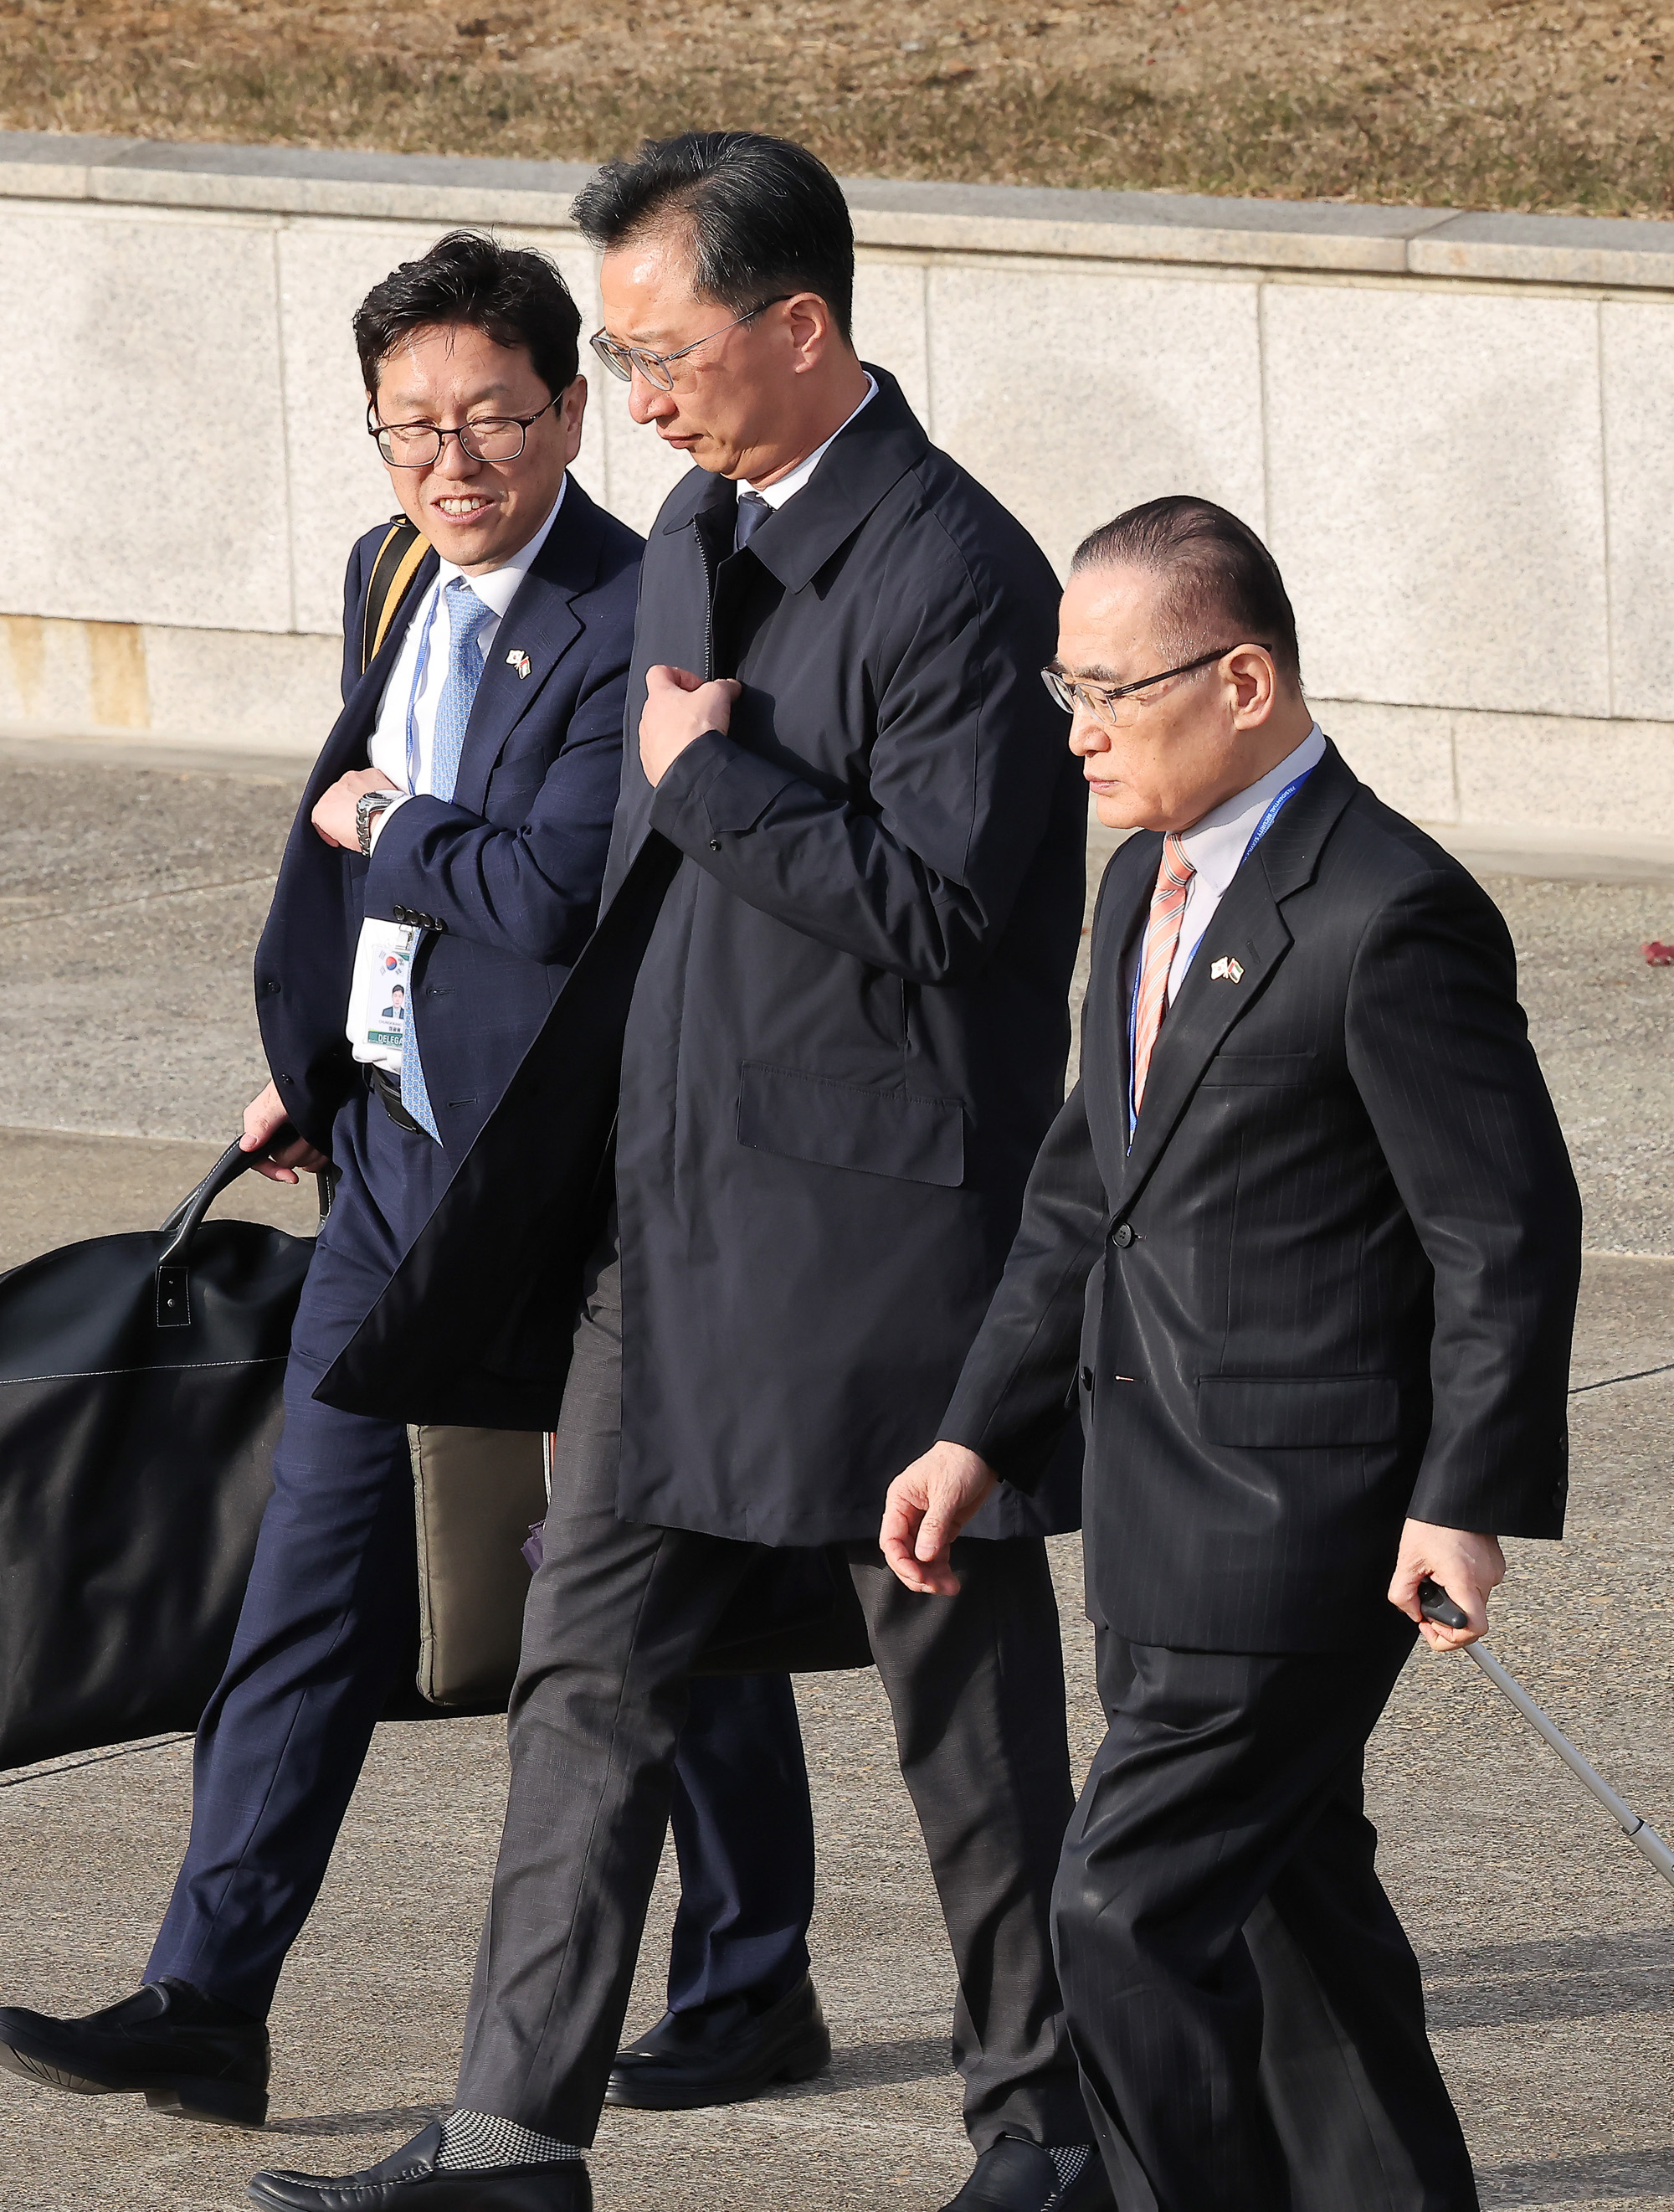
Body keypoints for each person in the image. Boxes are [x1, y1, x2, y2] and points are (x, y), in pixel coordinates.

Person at [248, 131, 1107, 2212]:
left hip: (888, 1240)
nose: (632, 404)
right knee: (585, 1668)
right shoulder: (710, 523)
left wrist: (707, 769)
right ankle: (513, 2133)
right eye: (618, 357)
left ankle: (1051, 2127)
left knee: (964, 1722)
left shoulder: (964, 576)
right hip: (673, 1214)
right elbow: (640, 897)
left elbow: (944, 913)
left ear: (796, 325)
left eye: (658, 352)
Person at [0, 229, 822, 2139]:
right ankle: (209, 1996)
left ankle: (752, 1968)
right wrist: (322, 1051)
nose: (452, 463)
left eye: (492, 420)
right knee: (307, 1569)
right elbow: (361, 842)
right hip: (387, 1147)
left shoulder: (641, 609)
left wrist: (391, 827)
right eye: (409, 428)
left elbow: (539, 887)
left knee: (632, 1574)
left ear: (566, 412)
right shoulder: (393, 571)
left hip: (564, 1171)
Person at [881, 496, 1583, 2212]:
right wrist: (980, 1427)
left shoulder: (1388, 912)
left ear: (1245, 678)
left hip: (1305, 1518)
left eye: (1111, 690)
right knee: (1288, 1908)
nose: (1080, 731)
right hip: (1151, 1499)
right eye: (1067, 688)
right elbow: (1085, 1191)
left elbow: (1501, 1231)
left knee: (1118, 1912)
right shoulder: (1144, 880)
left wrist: (1463, 1495)